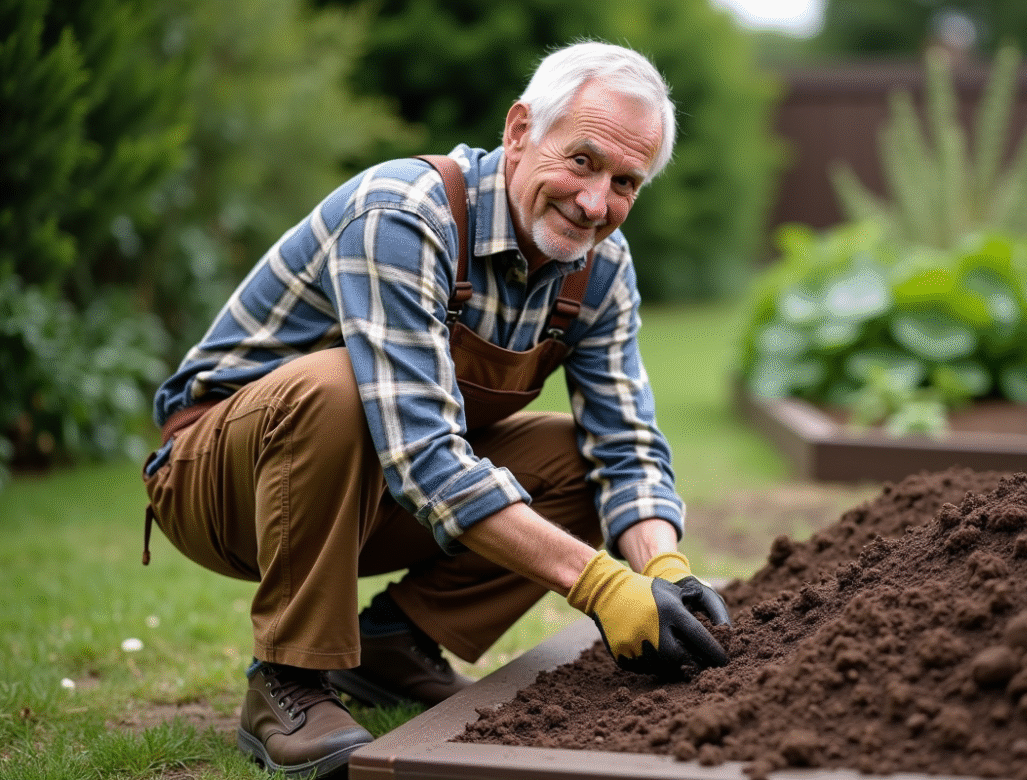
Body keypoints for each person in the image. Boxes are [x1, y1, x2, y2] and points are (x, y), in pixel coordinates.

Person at [141, 40, 730, 779]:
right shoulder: (406, 214)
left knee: (578, 459)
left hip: (377, 494)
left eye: (624, 182)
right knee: (337, 386)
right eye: (582, 161)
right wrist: (601, 586)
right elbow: (422, 456)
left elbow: (628, 444)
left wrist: (663, 571)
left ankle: (395, 643)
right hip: (220, 484)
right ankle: (287, 681)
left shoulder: (600, 270)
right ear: (520, 131)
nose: (595, 202)